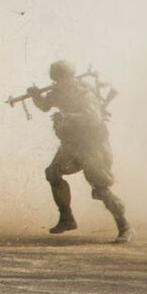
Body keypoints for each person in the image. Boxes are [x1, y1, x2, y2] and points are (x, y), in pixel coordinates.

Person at [29, 60, 130, 243]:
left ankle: (124, 227)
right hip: (72, 144)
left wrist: (67, 116)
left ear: (70, 76)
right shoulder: (58, 92)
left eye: (64, 77)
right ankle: (66, 218)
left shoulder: (85, 92)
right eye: (57, 78)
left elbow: (94, 117)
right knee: (53, 173)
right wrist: (36, 96)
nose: (61, 82)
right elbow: (45, 106)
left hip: (92, 145)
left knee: (100, 188)